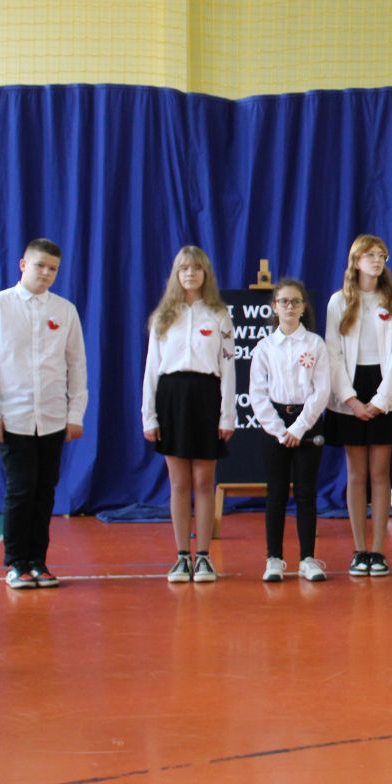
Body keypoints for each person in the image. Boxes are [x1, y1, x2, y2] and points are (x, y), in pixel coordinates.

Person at [0, 238, 88, 590]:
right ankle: (16, 562)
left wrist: (75, 413)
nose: (46, 273)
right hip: (13, 416)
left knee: (45, 490)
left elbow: (76, 365)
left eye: (53, 269)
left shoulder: (65, 310)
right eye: (40, 266)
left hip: (52, 416)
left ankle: (38, 561)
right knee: (21, 489)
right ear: (23, 265)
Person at [142, 245, 236, 583]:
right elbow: (152, 369)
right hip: (172, 398)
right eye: (184, 268)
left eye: (196, 268)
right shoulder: (163, 316)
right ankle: (182, 556)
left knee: (204, 482)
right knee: (179, 483)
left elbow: (228, 367)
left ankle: (204, 557)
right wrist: (149, 416)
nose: (190, 274)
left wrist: (227, 415)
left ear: (205, 273)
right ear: (176, 274)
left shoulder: (219, 315)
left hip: (206, 397)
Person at [324, 235, 392, 576]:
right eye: (370, 255)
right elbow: (332, 353)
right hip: (351, 389)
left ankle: (378, 550)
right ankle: (360, 550)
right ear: (356, 261)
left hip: (384, 389)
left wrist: (381, 400)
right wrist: (350, 399)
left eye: (381, 255)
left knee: (380, 473)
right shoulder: (339, 301)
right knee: (357, 473)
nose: (377, 260)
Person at [249, 278, 332, 582]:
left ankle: (307, 558)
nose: (289, 307)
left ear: (303, 307)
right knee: (276, 493)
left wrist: (298, 428)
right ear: (274, 307)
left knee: (306, 492)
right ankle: (274, 558)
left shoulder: (315, 344)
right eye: (283, 301)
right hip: (275, 426)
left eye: (295, 301)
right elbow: (257, 393)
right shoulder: (265, 347)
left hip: (306, 423)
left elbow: (321, 391)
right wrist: (279, 430)